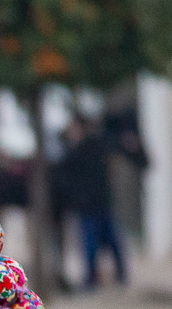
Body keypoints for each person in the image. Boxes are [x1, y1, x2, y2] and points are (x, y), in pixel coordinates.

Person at [60, 115, 147, 288]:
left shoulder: (87, 147)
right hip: (92, 204)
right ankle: (103, 277)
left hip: (96, 204)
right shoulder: (82, 148)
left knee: (102, 243)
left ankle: (101, 277)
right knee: (101, 243)